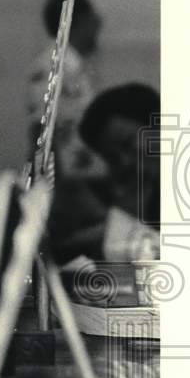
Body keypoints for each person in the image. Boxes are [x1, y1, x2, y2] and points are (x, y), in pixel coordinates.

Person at [49, 83, 160, 263]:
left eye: (127, 142)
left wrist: (103, 218)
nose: (125, 162)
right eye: (112, 158)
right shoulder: (149, 188)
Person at [27, 0, 104, 179]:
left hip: (83, 177)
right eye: (94, 19)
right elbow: (41, 130)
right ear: (80, 21)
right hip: (68, 185)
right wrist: (55, 186)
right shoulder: (52, 65)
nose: (99, 25)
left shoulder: (77, 67)